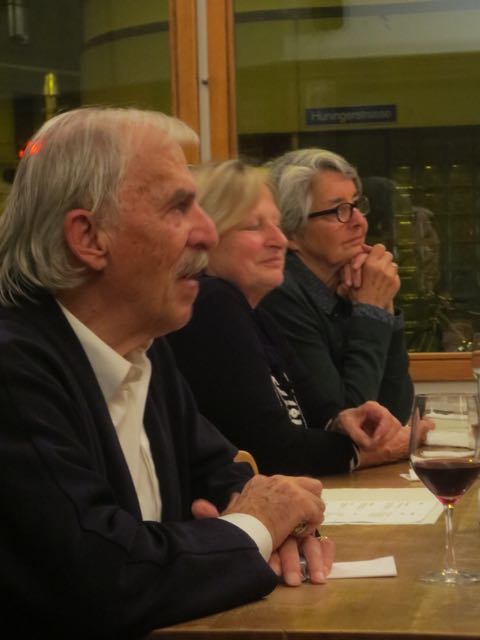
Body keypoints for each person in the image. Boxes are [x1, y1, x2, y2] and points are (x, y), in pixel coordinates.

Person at [0, 108, 332, 640]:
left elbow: (223, 475)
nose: (207, 232)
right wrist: (254, 529)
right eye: (179, 207)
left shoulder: (143, 351)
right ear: (89, 236)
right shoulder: (14, 368)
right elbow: (104, 577)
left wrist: (273, 524)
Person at [168, 159, 413, 477]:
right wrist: (367, 449)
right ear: (203, 236)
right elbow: (277, 450)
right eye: (254, 226)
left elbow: (331, 413)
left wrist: (343, 423)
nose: (278, 240)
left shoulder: (253, 312)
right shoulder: (213, 302)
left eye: (276, 223)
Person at [261, 149, 414, 424]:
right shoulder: (278, 293)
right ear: (290, 231)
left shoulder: (348, 287)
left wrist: (383, 304)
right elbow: (351, 422)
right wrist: (371, 310)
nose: (360, 222)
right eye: (338, 211)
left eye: (356, 204)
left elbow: (396, 414)